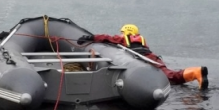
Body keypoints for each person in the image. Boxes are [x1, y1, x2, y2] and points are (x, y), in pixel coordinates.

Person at [77, 24, 209, 90]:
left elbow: (107, 38)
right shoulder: (140, 39)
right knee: (168, 74)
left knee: (169, 77)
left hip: (145, 58)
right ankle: (195, 73)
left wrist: (91, 37)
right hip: (152, 57)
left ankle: (196, 72)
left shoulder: (124, 38)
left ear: (125, 31)